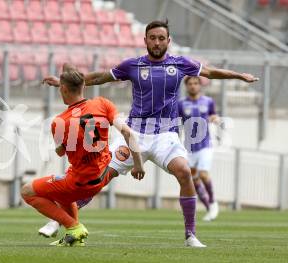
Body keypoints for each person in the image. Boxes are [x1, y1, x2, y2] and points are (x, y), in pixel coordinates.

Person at [43, 20, 258, 247]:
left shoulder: (181, 64)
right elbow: (98, 78)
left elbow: (211, 72)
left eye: (161, 38)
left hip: (166, 135)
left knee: (184, 172)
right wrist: (65, 82)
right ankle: (58, 221)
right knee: (98, 179)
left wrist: (239, 75)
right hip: (134, 132)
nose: (157, 42)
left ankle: (190, 235)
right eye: (152, 38)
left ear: (168, 41)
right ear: (145, 40)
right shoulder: (132, 65)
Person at [21, 64, 145, 246]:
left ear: (62, 89)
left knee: (27, 191)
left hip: (79, 182)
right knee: (64, 194)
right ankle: (75, 239)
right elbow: (128, 133)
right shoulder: (103, 104)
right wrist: (138, 165)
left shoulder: (59, 122)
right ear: (84, 86)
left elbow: (61, 152)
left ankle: (73, 226)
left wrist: (60, 145)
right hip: (102, 176)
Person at [178, 76, 220, 221]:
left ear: (200, 86)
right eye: (190, 84)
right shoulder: (181, 104)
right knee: (194, 181)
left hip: (205, 146)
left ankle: (213, 202)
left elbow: (213, 114)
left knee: (203, 174)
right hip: (189, 148)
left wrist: (215, 119)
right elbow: (176, 122)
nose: (193, 86)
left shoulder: (208, 101)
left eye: (196, 83)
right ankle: (209, 207)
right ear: (186, 86)